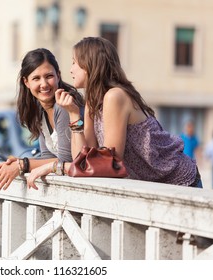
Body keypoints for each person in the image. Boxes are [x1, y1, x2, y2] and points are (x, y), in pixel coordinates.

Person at [25, 37, 202, 190]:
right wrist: (73, 115)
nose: (70, 70)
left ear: (89, 65)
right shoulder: (92, 104)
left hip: (180, 182)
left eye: (74, 62)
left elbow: (110, 162)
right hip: (154, 186)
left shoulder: (115, 96)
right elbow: (82, 159)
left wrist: (55, 167)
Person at [0, 48, 84, 191]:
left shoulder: (65, 106)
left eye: (49, 76)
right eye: (36, 78)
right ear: (26, 82)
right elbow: (48, 156)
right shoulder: (40, 109)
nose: (44, 84)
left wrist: (24, 164)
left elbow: (67, 161)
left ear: (58, 76)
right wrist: (17, 162)